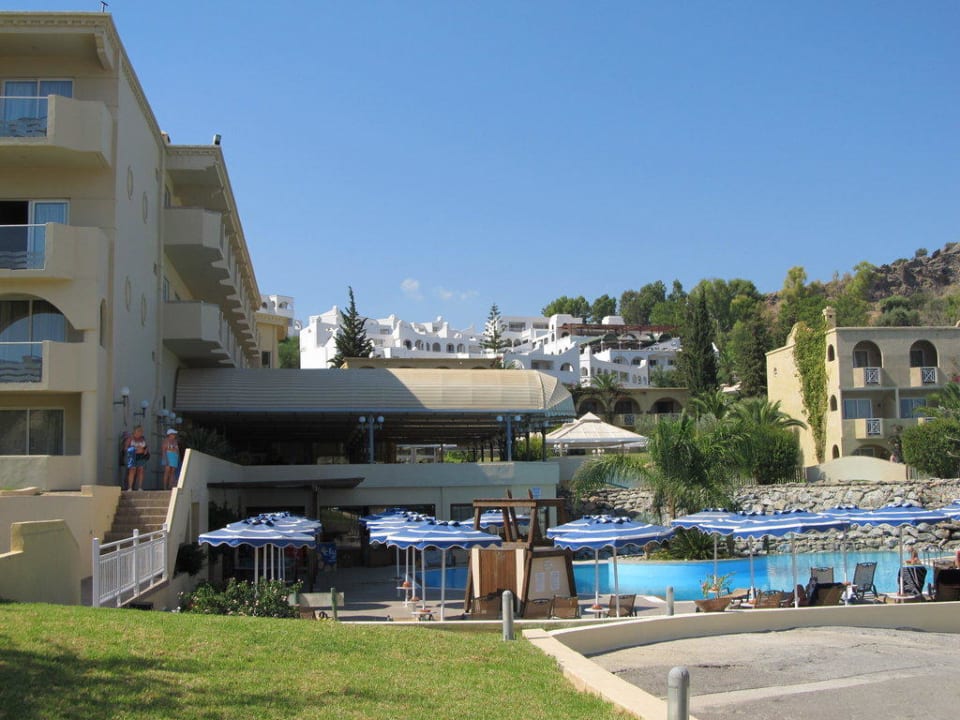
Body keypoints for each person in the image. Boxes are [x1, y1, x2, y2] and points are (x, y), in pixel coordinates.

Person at [124, 425, 149, 491]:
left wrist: (144, 450)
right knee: (132, 471)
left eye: (141, 431)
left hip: (141, 456)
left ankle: (140, 487)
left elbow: (146, 447)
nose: (140, 432)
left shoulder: (143, 439)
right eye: (138, 431)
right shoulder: (130, 439)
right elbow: (126, 448)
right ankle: (130, 487)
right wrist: (133, 449)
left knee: (141, 470)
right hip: (133, 456)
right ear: (135, 431)